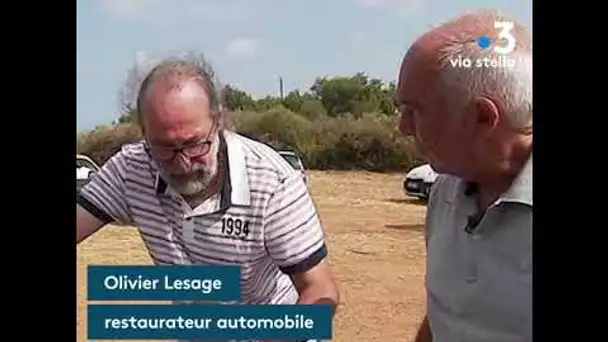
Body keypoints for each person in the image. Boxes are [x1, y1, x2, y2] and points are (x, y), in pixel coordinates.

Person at [76, 57, 340, 342]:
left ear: (218, 121)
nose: (182, 163)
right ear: (144, 132)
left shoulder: (272, 182)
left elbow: (321, 290)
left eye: (194, 144)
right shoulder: (132, 168)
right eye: (164, 147)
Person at [395, 9, 532, 342]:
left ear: (483, 118)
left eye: (415, 111)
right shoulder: (446, 190)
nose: (403, 128)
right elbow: (447, 311)